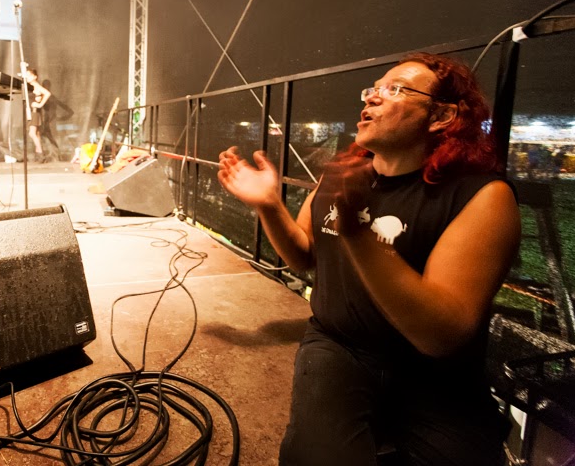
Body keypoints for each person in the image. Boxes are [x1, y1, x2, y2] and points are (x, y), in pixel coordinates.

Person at [218, 53, 520, 465]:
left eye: (394, 90)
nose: (372, 97)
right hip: (338, 344)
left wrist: (358, 233)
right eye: (372, 89)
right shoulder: (342, 175)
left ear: (441, 116)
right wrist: (269, 205)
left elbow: (439, 335)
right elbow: (303, 256)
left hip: (435, 375)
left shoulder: (482, 197)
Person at [22, 66, 51, 162]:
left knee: (32, 133)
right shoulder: (29, 86)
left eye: (29, 75)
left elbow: (47, 93)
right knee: (36, 133)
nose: (27, 77)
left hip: (34, 112)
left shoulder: (36, 86)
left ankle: (40, 154)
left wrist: (40, 104)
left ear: (35, 76)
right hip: (31, 111)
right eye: (26, 76)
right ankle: (39, 154)